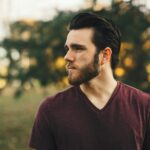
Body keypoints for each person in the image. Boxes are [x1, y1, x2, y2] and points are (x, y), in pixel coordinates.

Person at [29, 12, 150, 150]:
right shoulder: (50, 109)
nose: (67, 57)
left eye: (78, 48)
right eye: (67, 49)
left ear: (105, 55)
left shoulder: (144, 106)